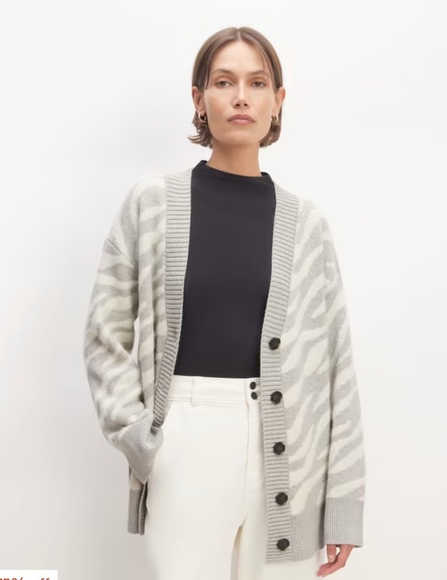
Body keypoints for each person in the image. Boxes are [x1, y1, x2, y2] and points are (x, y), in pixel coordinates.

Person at [83, 26, 366, 580]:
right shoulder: (151, 204)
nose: (241, 97)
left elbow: (337, 366)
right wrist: (141, 438)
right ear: (199, 99)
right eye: (223, 82)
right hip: (185, 439)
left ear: (277, 101)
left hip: (291, 455)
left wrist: (344, 502)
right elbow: (104, 333)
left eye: (257, 83)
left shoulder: (307, 225)